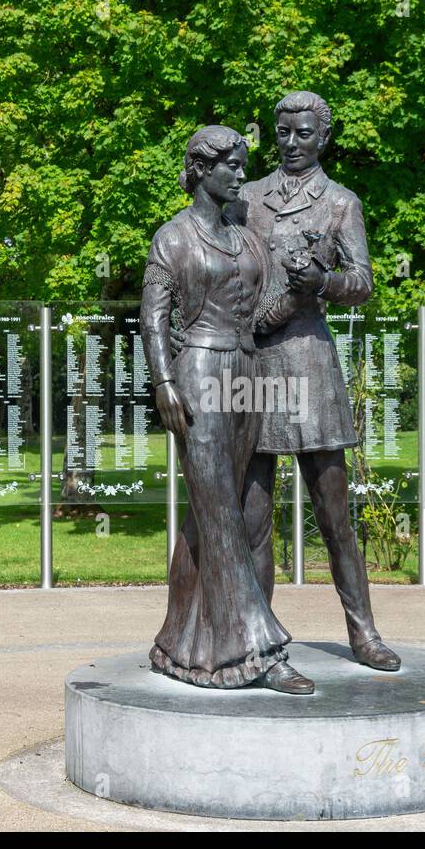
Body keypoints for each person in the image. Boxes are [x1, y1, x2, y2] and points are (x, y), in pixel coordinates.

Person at [228, 91, 401, 679]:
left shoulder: (341, 203)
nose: (292, 143)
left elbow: (364, 282)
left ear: (323, 137)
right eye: (283, 132)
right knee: (253, 515)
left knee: (334, 513)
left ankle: (364, 630)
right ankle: (260, 639)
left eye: (304, 133)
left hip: (310, 366)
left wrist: (323, 279)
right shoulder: (247, 198)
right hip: (255, 363)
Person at [139, 125, 313, 695]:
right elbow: (153, 318)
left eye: (242, 165)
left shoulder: (247, 238)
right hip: (198, 373)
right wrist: (164, 381)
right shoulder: (173, 238)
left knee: (224, 512)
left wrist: (306, 288)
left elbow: (263, 314)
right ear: (201, 169)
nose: (242, 175)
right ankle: (259, 650)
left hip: (249, 373)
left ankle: (179, 645)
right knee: (217, 511)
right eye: (231, 166)